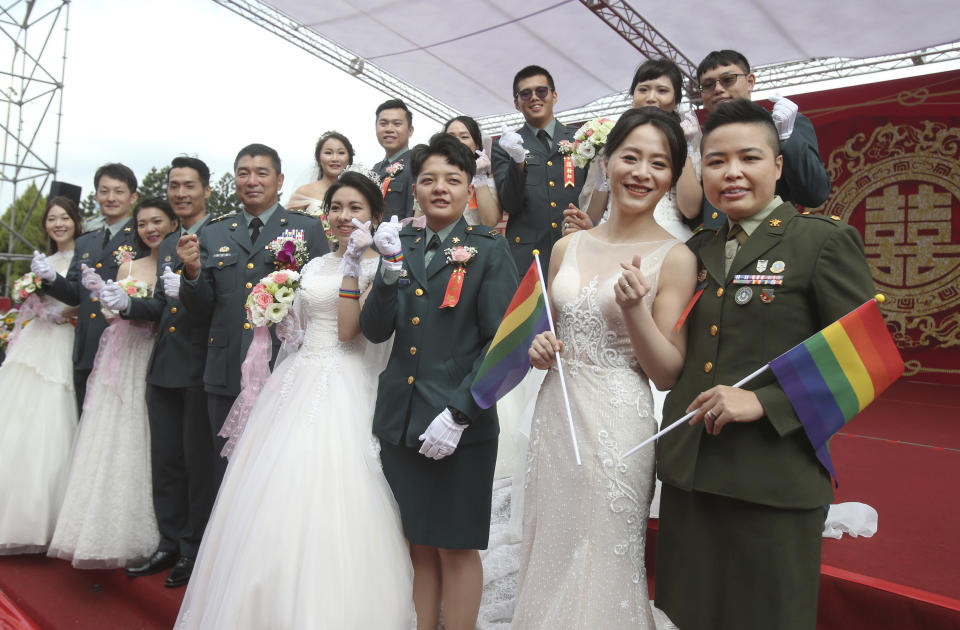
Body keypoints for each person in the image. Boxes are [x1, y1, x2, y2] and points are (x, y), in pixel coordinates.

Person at [654, 99, 876, 630]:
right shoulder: (694, 251)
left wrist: (765, 401)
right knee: (687, 617)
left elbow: (865, 360)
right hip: (691, 477)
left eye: (749, 158)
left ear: (777, 166)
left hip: (772, 479)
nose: (731, 173)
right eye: (715, 161)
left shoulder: (820, 243)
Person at [174, 171, 413, 629]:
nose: (344, 217)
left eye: (355, 208)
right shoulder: (313, 266)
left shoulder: (377, 268)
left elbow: (350, 331)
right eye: (336, 208)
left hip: (347, 381)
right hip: (296, 379)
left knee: (332, 488)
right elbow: (302, 331)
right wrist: (283, 320)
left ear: (375, 216)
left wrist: (355, 263)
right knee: (271, 491)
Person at [513, 108, 695, 630]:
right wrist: (540, 346)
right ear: (607, 161)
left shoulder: (675, 257)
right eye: (630, 157)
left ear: (672, 175)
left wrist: (636, 309)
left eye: (659, 163)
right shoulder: (567, 245)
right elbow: (548, 326)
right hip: (555, 413)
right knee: (550, 538)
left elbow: (665, 371)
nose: (642, 172)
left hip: (619, 427)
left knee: (600, 551)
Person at [360, 134, 518, 630]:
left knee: (455, 547)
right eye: (428, 179)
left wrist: (459, 414)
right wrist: (385, 274)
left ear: (469, 187)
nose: (440, 188)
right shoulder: (398, 245)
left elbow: (507, 346)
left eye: (453, 179)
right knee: (419, 547)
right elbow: (374, 329)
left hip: (458, 426)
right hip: (401, 419)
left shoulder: (489, 249)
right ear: (414, 188)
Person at [178, 143, 329, 502]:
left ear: (279, 180)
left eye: (261, 172)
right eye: (243, 173)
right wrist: (193, 272)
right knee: (223, 469)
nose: (251, 180)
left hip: (284, 368)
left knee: (276, 465)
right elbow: (200, 309)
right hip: (226, 369)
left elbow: (321, 294)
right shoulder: (215, 233)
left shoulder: (305, 229)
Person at [48, 199, 180, 569]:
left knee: (149, 440)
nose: (150, 229)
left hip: (157, 354)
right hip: (123, 357)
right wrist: (113, 302)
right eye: (142, 224)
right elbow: (111, 314)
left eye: (157, 221)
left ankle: (158, 528)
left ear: (172, 223)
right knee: (111, 434)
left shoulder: (179, 263)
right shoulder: (128, 265)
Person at [121, 157, 218, 588]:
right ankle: (170, 541)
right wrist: (128, 306)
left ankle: (195, 547)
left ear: (206, 191)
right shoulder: (168, 239)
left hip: (201, 364)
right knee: (166, 461)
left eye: (189, 186)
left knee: (198, 463)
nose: (180, 193)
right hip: (164, 364)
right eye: (174, 185)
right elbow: (163, 306)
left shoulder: (221, 234)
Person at [0, 197, 81, 554]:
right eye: (52, 219)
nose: (58, 224)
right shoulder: (42, 262)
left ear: (76, 221)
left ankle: (47, 517)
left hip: (65, 342)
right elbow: (31, 305)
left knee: (53, 420)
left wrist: (65, 314)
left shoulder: (84, 259)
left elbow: (83, 297)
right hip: (35, 341)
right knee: (17, 420)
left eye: (65, 218)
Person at [32, 163, 140, 410]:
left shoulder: (140, 236)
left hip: (122, 349)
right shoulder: (85, 241)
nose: (110, 198)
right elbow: (73, 293)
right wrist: (50, 278)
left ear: (133, 196)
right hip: (86, 347)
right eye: (104, 191)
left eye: (118, 191)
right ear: (96, 196)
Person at [696, 49, 831, 228]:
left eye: (728, 80)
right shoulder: (701, 138)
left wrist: (785, 138)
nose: (718, 89)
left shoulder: (784, 123)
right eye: (708, 85)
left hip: (770, 240)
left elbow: (814, 194)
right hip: (715, 244)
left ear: (750, 81)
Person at [573, 58, 704, 241]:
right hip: (611, 234)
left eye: (662, 90)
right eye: (643, 89)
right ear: (633, 94)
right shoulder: (612, 138)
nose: (651, 97)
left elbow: (691, 210)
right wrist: (603, 173)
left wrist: (684, 148)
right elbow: (593, 215)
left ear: (676, 100)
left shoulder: (687, 138)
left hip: (666, 235)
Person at [491, 65, 586, 280]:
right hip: (528, 257)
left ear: (554, 95)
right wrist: (518, 161)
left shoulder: (580, 139)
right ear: (517, 103)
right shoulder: (505, 144)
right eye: (525, 93)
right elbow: (510, 203)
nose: (534, 98)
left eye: (541, 91)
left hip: (577, 247)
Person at [287, 131, 355, 247]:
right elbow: (288, 229)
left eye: (341, 153)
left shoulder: (358, 192)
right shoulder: (304, 192)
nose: (335, 158)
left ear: (349, 158)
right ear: (318, 158)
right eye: (328, 153)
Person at [443, 115, 502, 228]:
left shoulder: (488, 182)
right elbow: (418, 223)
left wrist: (479, 178)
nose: (457, 142)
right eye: (451, 137)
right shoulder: (430, 178)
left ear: (476, 145)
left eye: (464, 137)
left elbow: (490, 222)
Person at [373, 99, 416, 218]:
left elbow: (413, 215)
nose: (389, 129)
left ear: (410, 131)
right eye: (383, 124)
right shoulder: (375, 169)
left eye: (397, 124)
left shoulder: (416, 165)